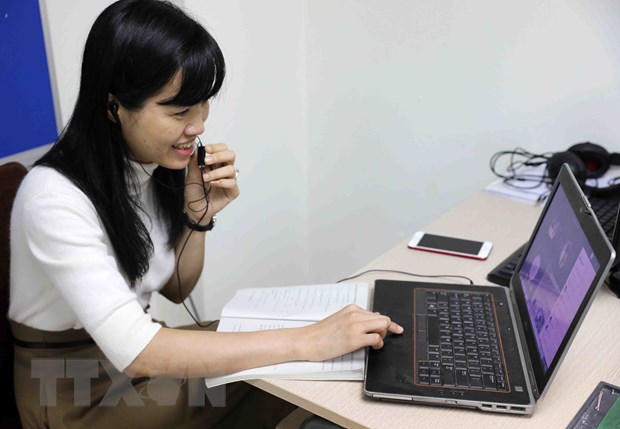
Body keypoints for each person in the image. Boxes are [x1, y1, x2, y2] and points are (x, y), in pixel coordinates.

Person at [8, 1, 403, 428]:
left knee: (308, 356)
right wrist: (306, 341)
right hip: (73, 387)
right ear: (113, 106)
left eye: (203, 105)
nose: (197, 126)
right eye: (179, 111)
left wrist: (198, 214)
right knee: (288, 368)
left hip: (135, 361)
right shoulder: (52, 198)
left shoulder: (152, 165)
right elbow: (138, 350)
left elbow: (177, 289)